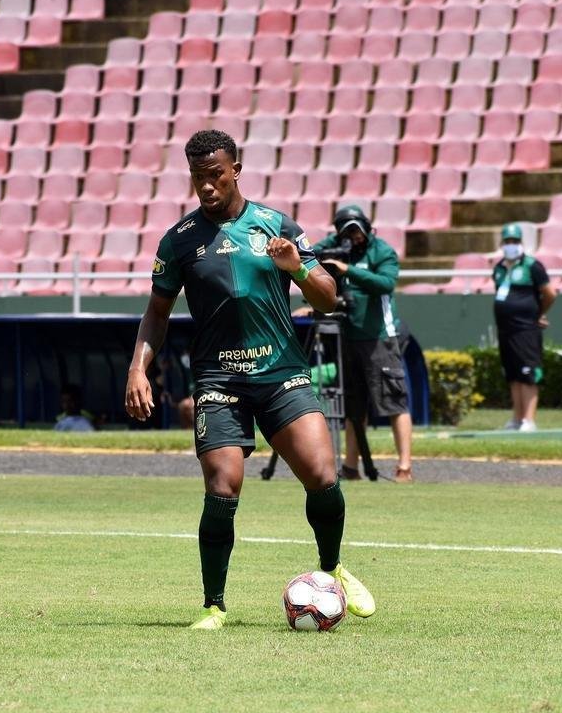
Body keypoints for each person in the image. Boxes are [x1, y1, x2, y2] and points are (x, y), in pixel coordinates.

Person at [124, 130, 375, 630]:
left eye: (215, 175)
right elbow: (157, 313)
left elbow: (328, 298)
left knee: (322, 475)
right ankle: (213, 606)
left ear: (235, 170)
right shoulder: (179, 240)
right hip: (219, 379)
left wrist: (297, 269)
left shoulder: (277, 226)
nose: (207, 186)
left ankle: (332, 570)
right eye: (198, 177)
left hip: (281, 373)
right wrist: (137, 368)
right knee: (223, 484)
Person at [313, 205, 414, 483]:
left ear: (368, 229)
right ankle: (350, 466)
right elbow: (310, 252)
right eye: (347, 232)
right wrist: (329, 255)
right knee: (354, 406)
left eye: (357, 231)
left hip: (380, 337)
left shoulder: (382, 251)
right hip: (347, 336)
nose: (354, 237)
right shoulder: (337, 247)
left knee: (394, 401)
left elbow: (386, 283)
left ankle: (404, 467)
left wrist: (348, 269)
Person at [492, 223, 557, 432]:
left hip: (525, 329)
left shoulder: (532, 266)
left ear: (521, 243)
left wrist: (538, 313)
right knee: (512, 374)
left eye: (515, 241)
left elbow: (549, 293)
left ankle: (529, 420)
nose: (511, 245)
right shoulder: (499, 268)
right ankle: (517, 418)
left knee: (528, 372)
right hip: (505, 329)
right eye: (507, 241)